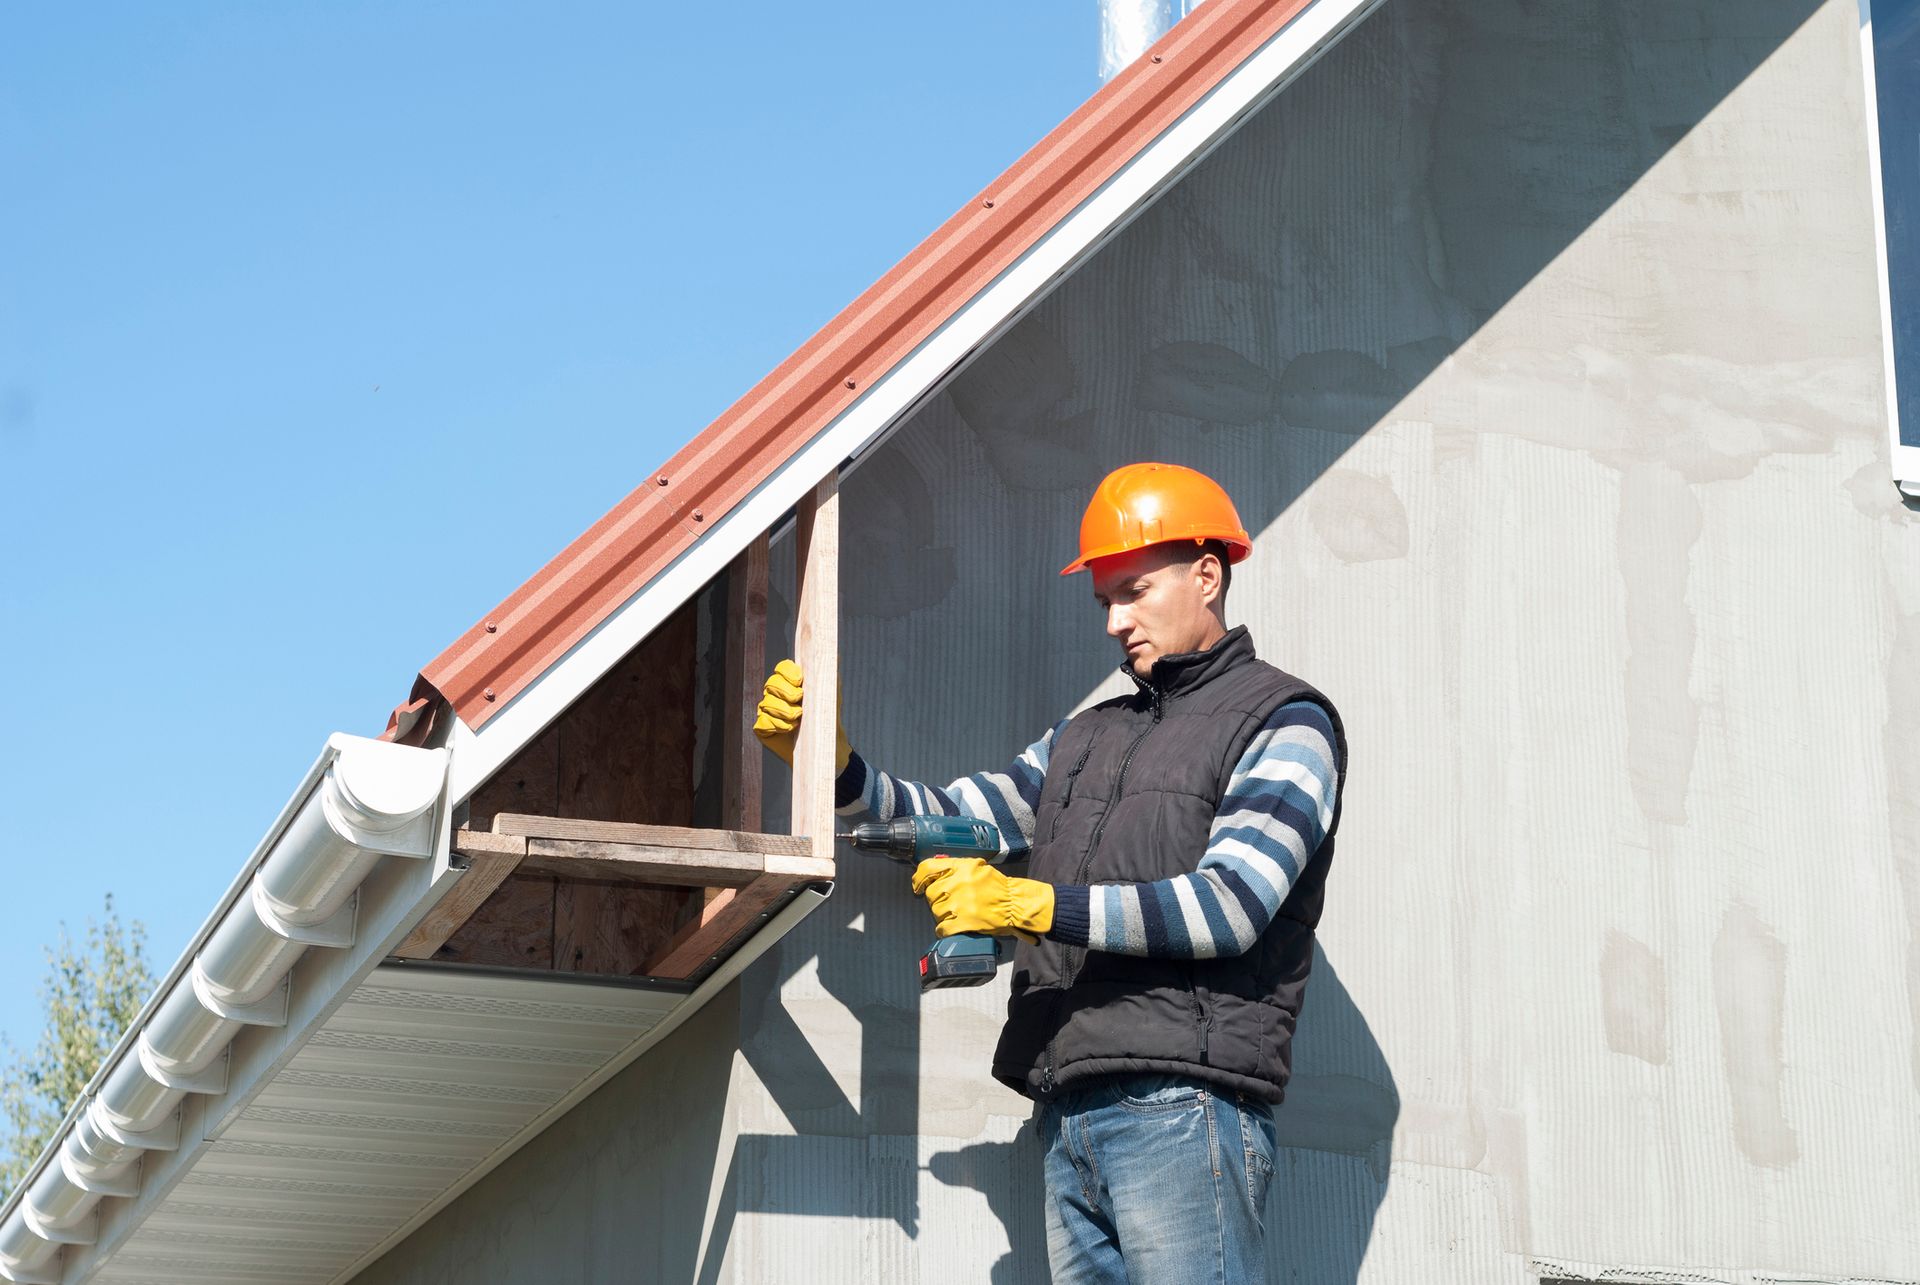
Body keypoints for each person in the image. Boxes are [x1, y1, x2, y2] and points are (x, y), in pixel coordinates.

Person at [754, 462, 1346, 1285]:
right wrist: (835, 765)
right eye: (1104, 599)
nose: (1113, 620)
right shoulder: (1083, 736)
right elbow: (960, 820)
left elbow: (1230, 907)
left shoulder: (1285, 721)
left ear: (1208, 574)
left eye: (1134, 590)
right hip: (1067, 1109)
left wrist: (1027, 902)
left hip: (1185, 1104)